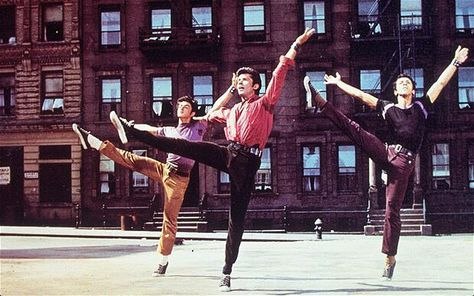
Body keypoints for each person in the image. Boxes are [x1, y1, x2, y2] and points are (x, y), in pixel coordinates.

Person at [109, 28, 316, 291]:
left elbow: (280, 71)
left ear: (255, 85)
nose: (240, 82)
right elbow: (214, 111)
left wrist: (296, 44)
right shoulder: (231, 112)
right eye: (238, 79)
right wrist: (227, 91)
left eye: (245, 80)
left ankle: (227, 271)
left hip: (247, 165)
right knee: (183, 145)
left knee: (236, 220)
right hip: (228, 152)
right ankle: (131, 132)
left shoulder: (265, 103)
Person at [304, 45, 469, 280]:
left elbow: (440, 84)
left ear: (413, 89)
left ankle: (390, 257)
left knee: (392, 209)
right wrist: (338, 84)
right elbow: (361, 95)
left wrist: (455, 62)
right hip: (387, 151)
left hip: (404, 163)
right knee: (356, 130)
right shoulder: (387, 107)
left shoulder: (421, 106)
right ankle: (320, 102)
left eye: (407, 83)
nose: (404, 84)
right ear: (395, 90)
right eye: (400, 83)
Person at [72, 95, 230, 277]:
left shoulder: (198, 126)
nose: (181, 108)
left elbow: (217, 106)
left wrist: (232, 89)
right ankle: (95, 142)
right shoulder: (170, 130)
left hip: (179, 180)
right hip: (165, 169)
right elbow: (151, 129)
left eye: (185, 107)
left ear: (193, 112)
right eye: (179, 106)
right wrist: (133, 127)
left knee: (169, 219)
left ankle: (163, 261)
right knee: (133, 160)